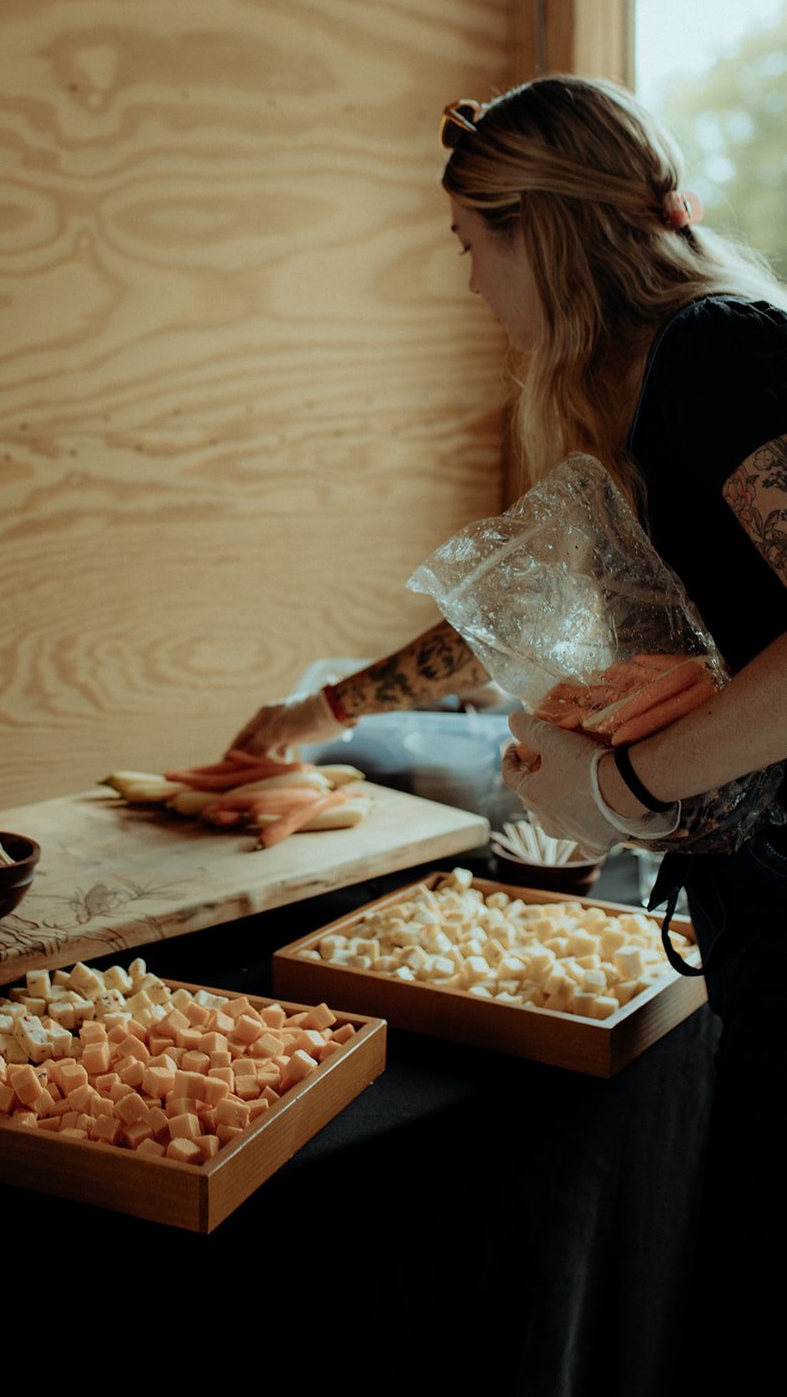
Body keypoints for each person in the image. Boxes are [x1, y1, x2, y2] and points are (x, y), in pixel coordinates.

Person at [229, 73, 787, 1360]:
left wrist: (626, 791)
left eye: (469, 245)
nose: (467, 282)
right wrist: (324, 708)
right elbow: (527, 621)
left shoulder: (721, 353)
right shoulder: (641, 391)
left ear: (540, 230)